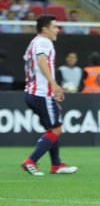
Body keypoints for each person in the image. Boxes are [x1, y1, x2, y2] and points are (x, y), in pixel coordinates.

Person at [21, 14, 78, 176]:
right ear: (45, 29)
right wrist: (53, 84)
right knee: (56, 129)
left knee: (52, 128)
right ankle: (31, 161)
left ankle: (56, 165)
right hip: (41, 93)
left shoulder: (33, 42)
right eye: (54, 26)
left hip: (33, 93)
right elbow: (41, 61)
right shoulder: (43, 42)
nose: (57, 30)